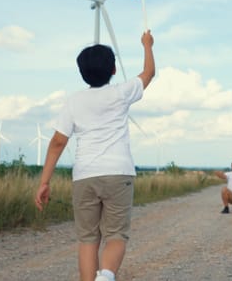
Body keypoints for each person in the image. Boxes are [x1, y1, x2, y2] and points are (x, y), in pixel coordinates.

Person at [34, 30, 155, 281]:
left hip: (85, 176)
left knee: (87, 239)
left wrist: (44, 181)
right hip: (118, 173)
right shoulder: (121, 92)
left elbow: (58, 142)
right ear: (113, 70)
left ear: (82, 72)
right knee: (116, 236)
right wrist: (147, 45)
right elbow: (148, 73)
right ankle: (107, 275)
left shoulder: (74, 102)